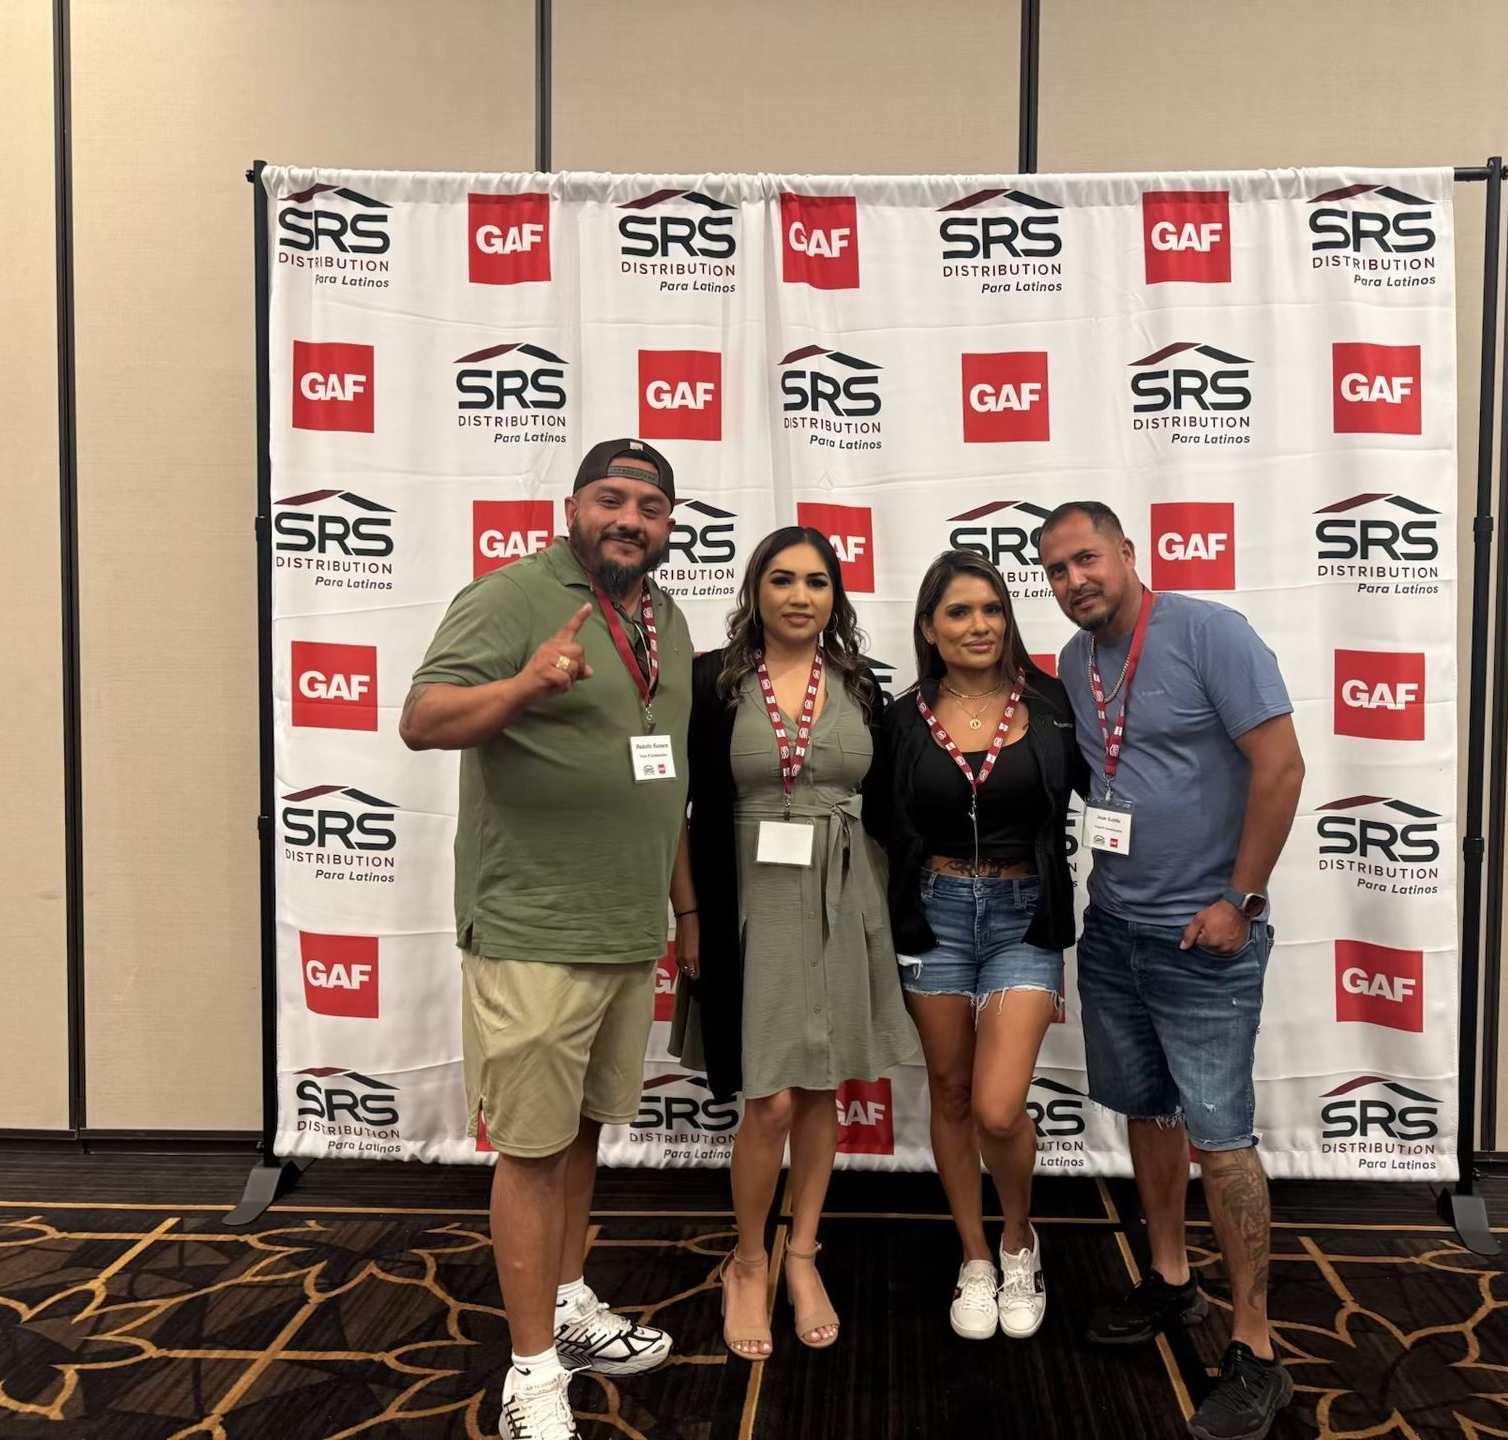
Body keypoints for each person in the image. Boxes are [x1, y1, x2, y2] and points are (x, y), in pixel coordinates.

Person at [400, 438, 691, 1440]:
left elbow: (665, 777)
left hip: (626, 927)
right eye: (611, 499)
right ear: (573, 508)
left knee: (584, 1131)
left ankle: (567, 1302)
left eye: (650, 507)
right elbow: (422, 719)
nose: (629, 520)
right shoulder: (512, 596)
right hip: (532, 928)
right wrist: (523, 686)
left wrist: (683, 915)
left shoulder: (664, 618)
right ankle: (529, 1373)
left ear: (668, 526)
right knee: (529, 1151)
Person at [1038, 501, 1306, 1440]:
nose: (1075, 580)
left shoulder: (1209, 634)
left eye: (1087, 559)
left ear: (1126, 552)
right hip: (1114, 928)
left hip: (1205, 940)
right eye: (1056, 570)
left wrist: (1242, 898)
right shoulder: (1075, 663)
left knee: (1222, 1138)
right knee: (1148, 1113)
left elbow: (1281, 767)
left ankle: (1256, 1350)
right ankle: (1169, 1279)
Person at [668, 525, 917, 1361]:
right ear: (756, 591)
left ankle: (802, 1254)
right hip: (748, 901)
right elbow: (676, 809)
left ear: (835, 596)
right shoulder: (712, 682)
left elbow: (888, 806)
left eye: (816, 581)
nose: (800, 596)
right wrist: (690, 915)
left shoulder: (862, 685)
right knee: (770, 1098)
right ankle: (747, 1262)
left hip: (844, 898)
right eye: (782, 579)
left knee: (819, 1091)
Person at [878, 550, 1087, 1341]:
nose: (979, 625)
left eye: (992, 609)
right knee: (952, 1093)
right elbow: (878, 821)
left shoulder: (1052, 702)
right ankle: (973, 1254)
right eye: (959, 612)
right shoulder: (903, 716)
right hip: (934, 914)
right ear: (929, 629)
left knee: (999, 1108)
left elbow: (1109, 781)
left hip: (1022, 916)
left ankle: (1019, 1240)